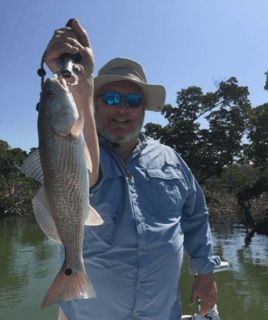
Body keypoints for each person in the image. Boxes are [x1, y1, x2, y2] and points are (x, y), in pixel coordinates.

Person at [45, 19, 221, 320]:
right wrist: (80, 85)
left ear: (143, 109)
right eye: (111, 98)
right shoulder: (79, 150)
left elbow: (195, 215)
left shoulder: (171, 158)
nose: (122, 108)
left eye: (133, 101)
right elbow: (86, 173)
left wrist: (205, 273)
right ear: (95, 105)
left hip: (161, 313)